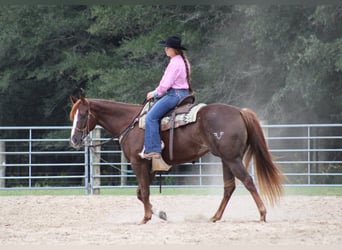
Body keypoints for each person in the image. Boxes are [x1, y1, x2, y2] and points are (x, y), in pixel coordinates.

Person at [139, 35, 192, 166]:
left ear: (174, 49)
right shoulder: (184, 61)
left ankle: (153, 149)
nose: (165, 50)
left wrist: (155, 93)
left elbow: (165, 84)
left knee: (150, 117)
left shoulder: (174, 63)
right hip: (184, 94)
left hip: (174, 94)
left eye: (167, 48)